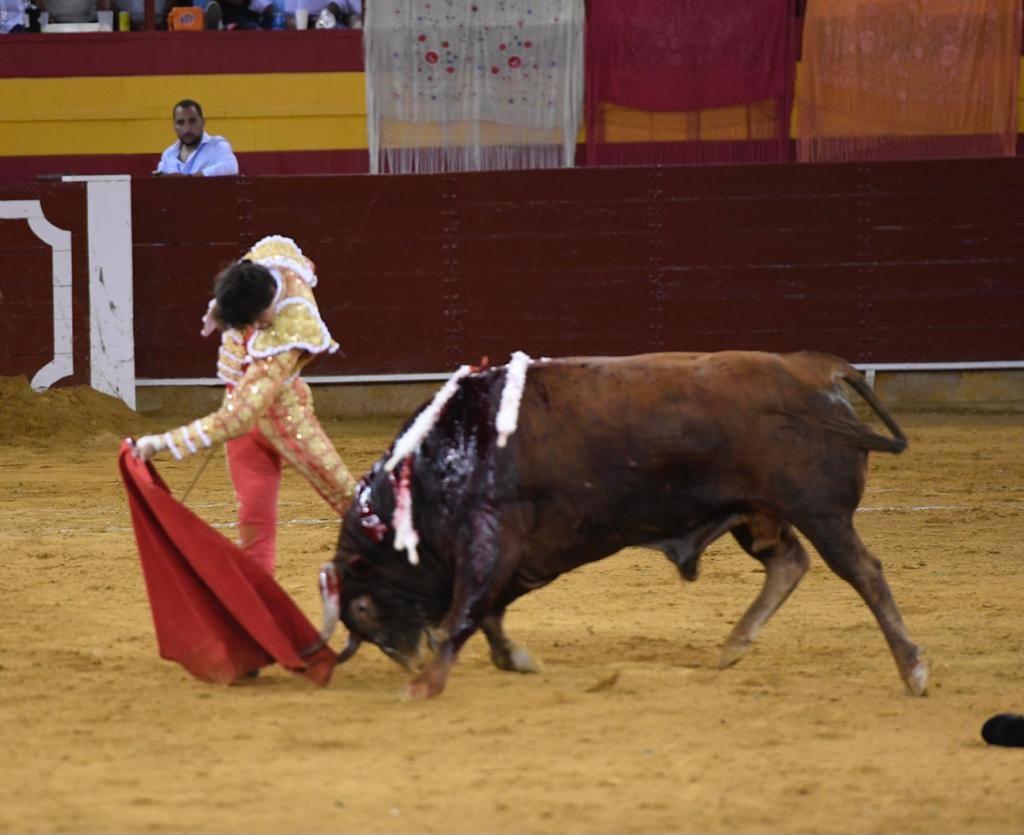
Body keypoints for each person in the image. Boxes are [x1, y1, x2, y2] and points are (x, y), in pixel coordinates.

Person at [133, 235, 357, 577]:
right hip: (247, 424)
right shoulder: (267, 261)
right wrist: (220, 306)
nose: (259, 326)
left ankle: (416, 569)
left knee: (351, 502)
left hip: (286, 418)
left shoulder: (290, 330)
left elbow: (237, 418)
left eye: (257, 319)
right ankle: (256, 616)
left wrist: (164, 442)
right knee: (253, 525)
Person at [154, 99, 239, 178]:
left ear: (202, 122)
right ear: (174, 126)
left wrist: (192, 178)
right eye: (180, 122)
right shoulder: (168, 154)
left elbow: (231, 167)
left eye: (192, 121)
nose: (187, 128)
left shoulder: (217, 145)